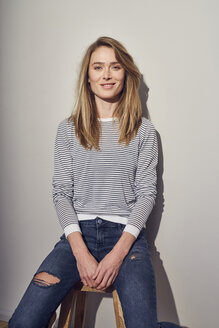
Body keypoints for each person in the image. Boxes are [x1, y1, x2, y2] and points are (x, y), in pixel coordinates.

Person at [8, 37, 181, 328]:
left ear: (126, 75)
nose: (107, 74)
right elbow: (61, 193)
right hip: (77, 237)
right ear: (87, 78)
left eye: (115, 67)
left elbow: (147, 194)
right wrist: (80, 253)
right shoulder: (68, 130)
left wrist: (117, 254)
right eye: (98, 67)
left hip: (127, 241)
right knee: (22, 323)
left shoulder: (144, 131)